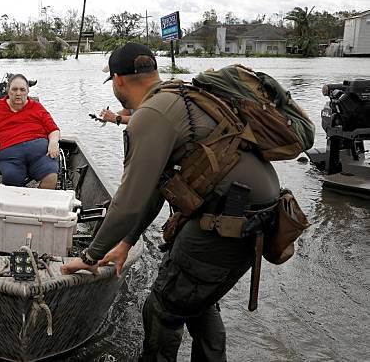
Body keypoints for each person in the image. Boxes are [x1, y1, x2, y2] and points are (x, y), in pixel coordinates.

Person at [61, 42, 281, 361]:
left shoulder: (149, 115)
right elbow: (153, 192)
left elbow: (129, 201)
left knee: (162, 308)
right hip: (255, 214)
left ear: (118, 81)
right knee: (196, 302)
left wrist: (91, 256)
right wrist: (126, 242)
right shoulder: (182, 95)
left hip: (229, 220)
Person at [0, 74, 60, 189]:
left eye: (22, 89)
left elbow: (53, 129)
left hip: (39, 154)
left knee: (51, 175)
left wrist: (53, 143)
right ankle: (19, 203)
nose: (18, 93)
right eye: (14, 89)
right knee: (11, 178)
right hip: (9, 154)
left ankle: (37, 204)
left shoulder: (37, 107)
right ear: (8, 91)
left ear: (27, 92)